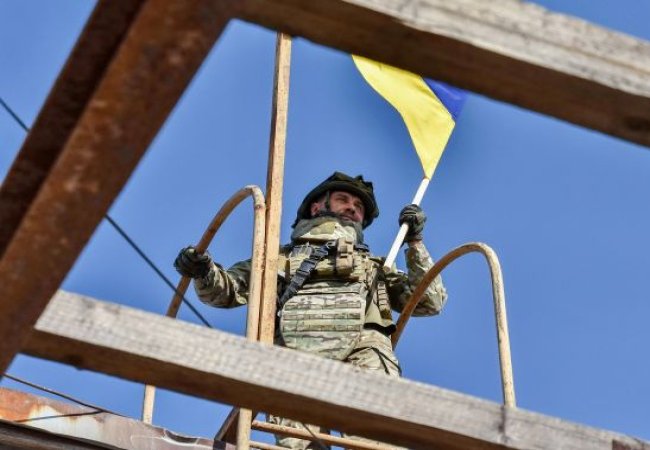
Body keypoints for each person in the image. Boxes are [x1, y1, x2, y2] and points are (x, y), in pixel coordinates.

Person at [174, 172, 447, 449]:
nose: (352, 208)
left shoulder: (376, 267)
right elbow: (225, 291)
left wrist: (415, 242)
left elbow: (429, 301)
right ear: (317, 207)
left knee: (376, 439)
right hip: (295, 355)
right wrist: (203, 270)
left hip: (365, 353)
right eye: (343, 199)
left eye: (358, 206)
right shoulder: (278, 259)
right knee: (300, 444)